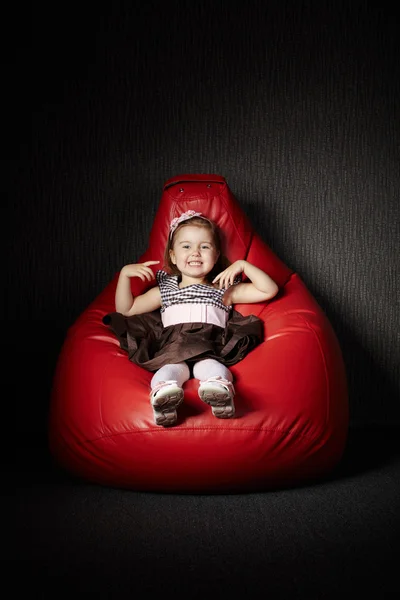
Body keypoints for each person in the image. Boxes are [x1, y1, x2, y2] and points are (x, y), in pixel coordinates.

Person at [104, 210, 279, 427]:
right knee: (170, 370)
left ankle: (219, 391)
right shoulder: (165, 289)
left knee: (210, 367)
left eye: (204, 247)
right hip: (173, 346)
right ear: (173, 256)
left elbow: (268, 290)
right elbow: (127, 309)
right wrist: (124, 275)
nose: (195, 252)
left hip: (209, 343)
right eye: (186, 246)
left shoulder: (224, 288)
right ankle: (163, 396)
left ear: (216, 257)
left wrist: (243, 266)